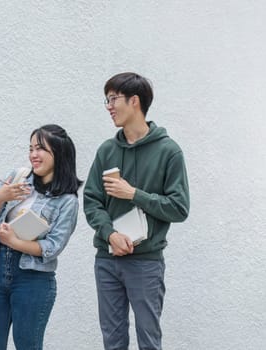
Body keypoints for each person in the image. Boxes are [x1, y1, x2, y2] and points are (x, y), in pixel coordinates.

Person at [83, 72, 190, 350]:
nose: (108, 106)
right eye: (106, 99)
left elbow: (179, 208)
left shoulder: (169, 152)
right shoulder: (106, 150)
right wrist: (110, 235)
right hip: (107, 260)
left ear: (134, 101)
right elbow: (91, 200)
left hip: (146, 262)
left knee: (149, 340)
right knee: (113, 340)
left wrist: (133, 194)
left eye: (113, 98)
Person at [0, 124, 82, 350]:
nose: (34, 154)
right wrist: (0, 196)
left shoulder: (67, 200)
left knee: (28, 345)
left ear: (59, 152)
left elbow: (52, 247)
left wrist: (15, 242)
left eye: (41, 148)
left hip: (33, 278)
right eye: (31, 148)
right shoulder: (17, 177)